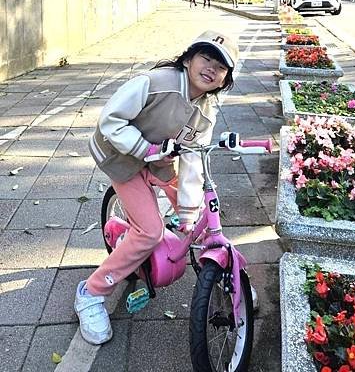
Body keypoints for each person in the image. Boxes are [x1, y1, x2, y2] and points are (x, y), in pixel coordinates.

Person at [74, 30, 239, 345]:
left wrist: (189, 210)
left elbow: (193, 156)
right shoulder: (155, 83)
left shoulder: (207, 108)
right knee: (149, 231)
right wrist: (144, 150)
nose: (211, 68)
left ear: (225, 78)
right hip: (120, 154)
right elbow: (111, 120)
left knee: (199, 213)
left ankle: (229, 284)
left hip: (160, 156)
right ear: (188, 58)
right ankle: (91, 292)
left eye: (221, 67)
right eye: (206, 58)